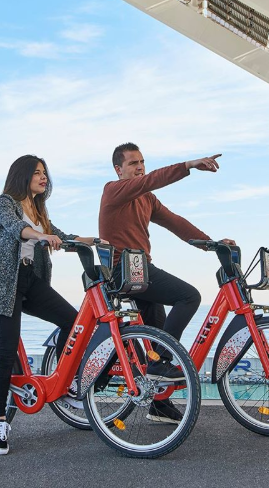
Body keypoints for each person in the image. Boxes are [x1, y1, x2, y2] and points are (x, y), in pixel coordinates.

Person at [99, 143, 235, 424]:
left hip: (141, 271)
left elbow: (175, 222)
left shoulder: (147, 199)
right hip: (122, 271)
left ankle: (158, 403)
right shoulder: (113, 190)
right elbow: (151, 180)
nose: (140, 167)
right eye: (133, 163)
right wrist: (188, 165)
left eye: (142, 162)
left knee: (158, 331)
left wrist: (212, 244)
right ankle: (158, 364)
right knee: (189, 297)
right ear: (118, 169)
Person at [0, 155, 99, 455]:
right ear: (23, 175)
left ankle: (65, 379)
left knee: (73, 322)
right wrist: (41, 235)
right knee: (7, 350)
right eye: (37, 173)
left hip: (30, 280)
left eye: (45, 173)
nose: (44, 177)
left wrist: (94, 240)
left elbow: (62, 237)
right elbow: (18, 228)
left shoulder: (39, 209)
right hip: (3, 284)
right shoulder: (5, 203)